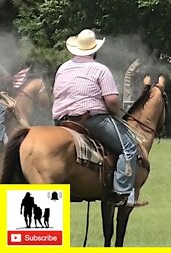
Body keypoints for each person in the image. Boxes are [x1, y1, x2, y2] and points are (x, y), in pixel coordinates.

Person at [52, 29, 138, 206]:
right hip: (90, 120)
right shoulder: (100, 69)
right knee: (129, 145)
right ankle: (122, 192)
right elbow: (112, 100)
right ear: (94, 50)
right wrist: (117, 113)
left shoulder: (63, 68)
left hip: (62, 121)